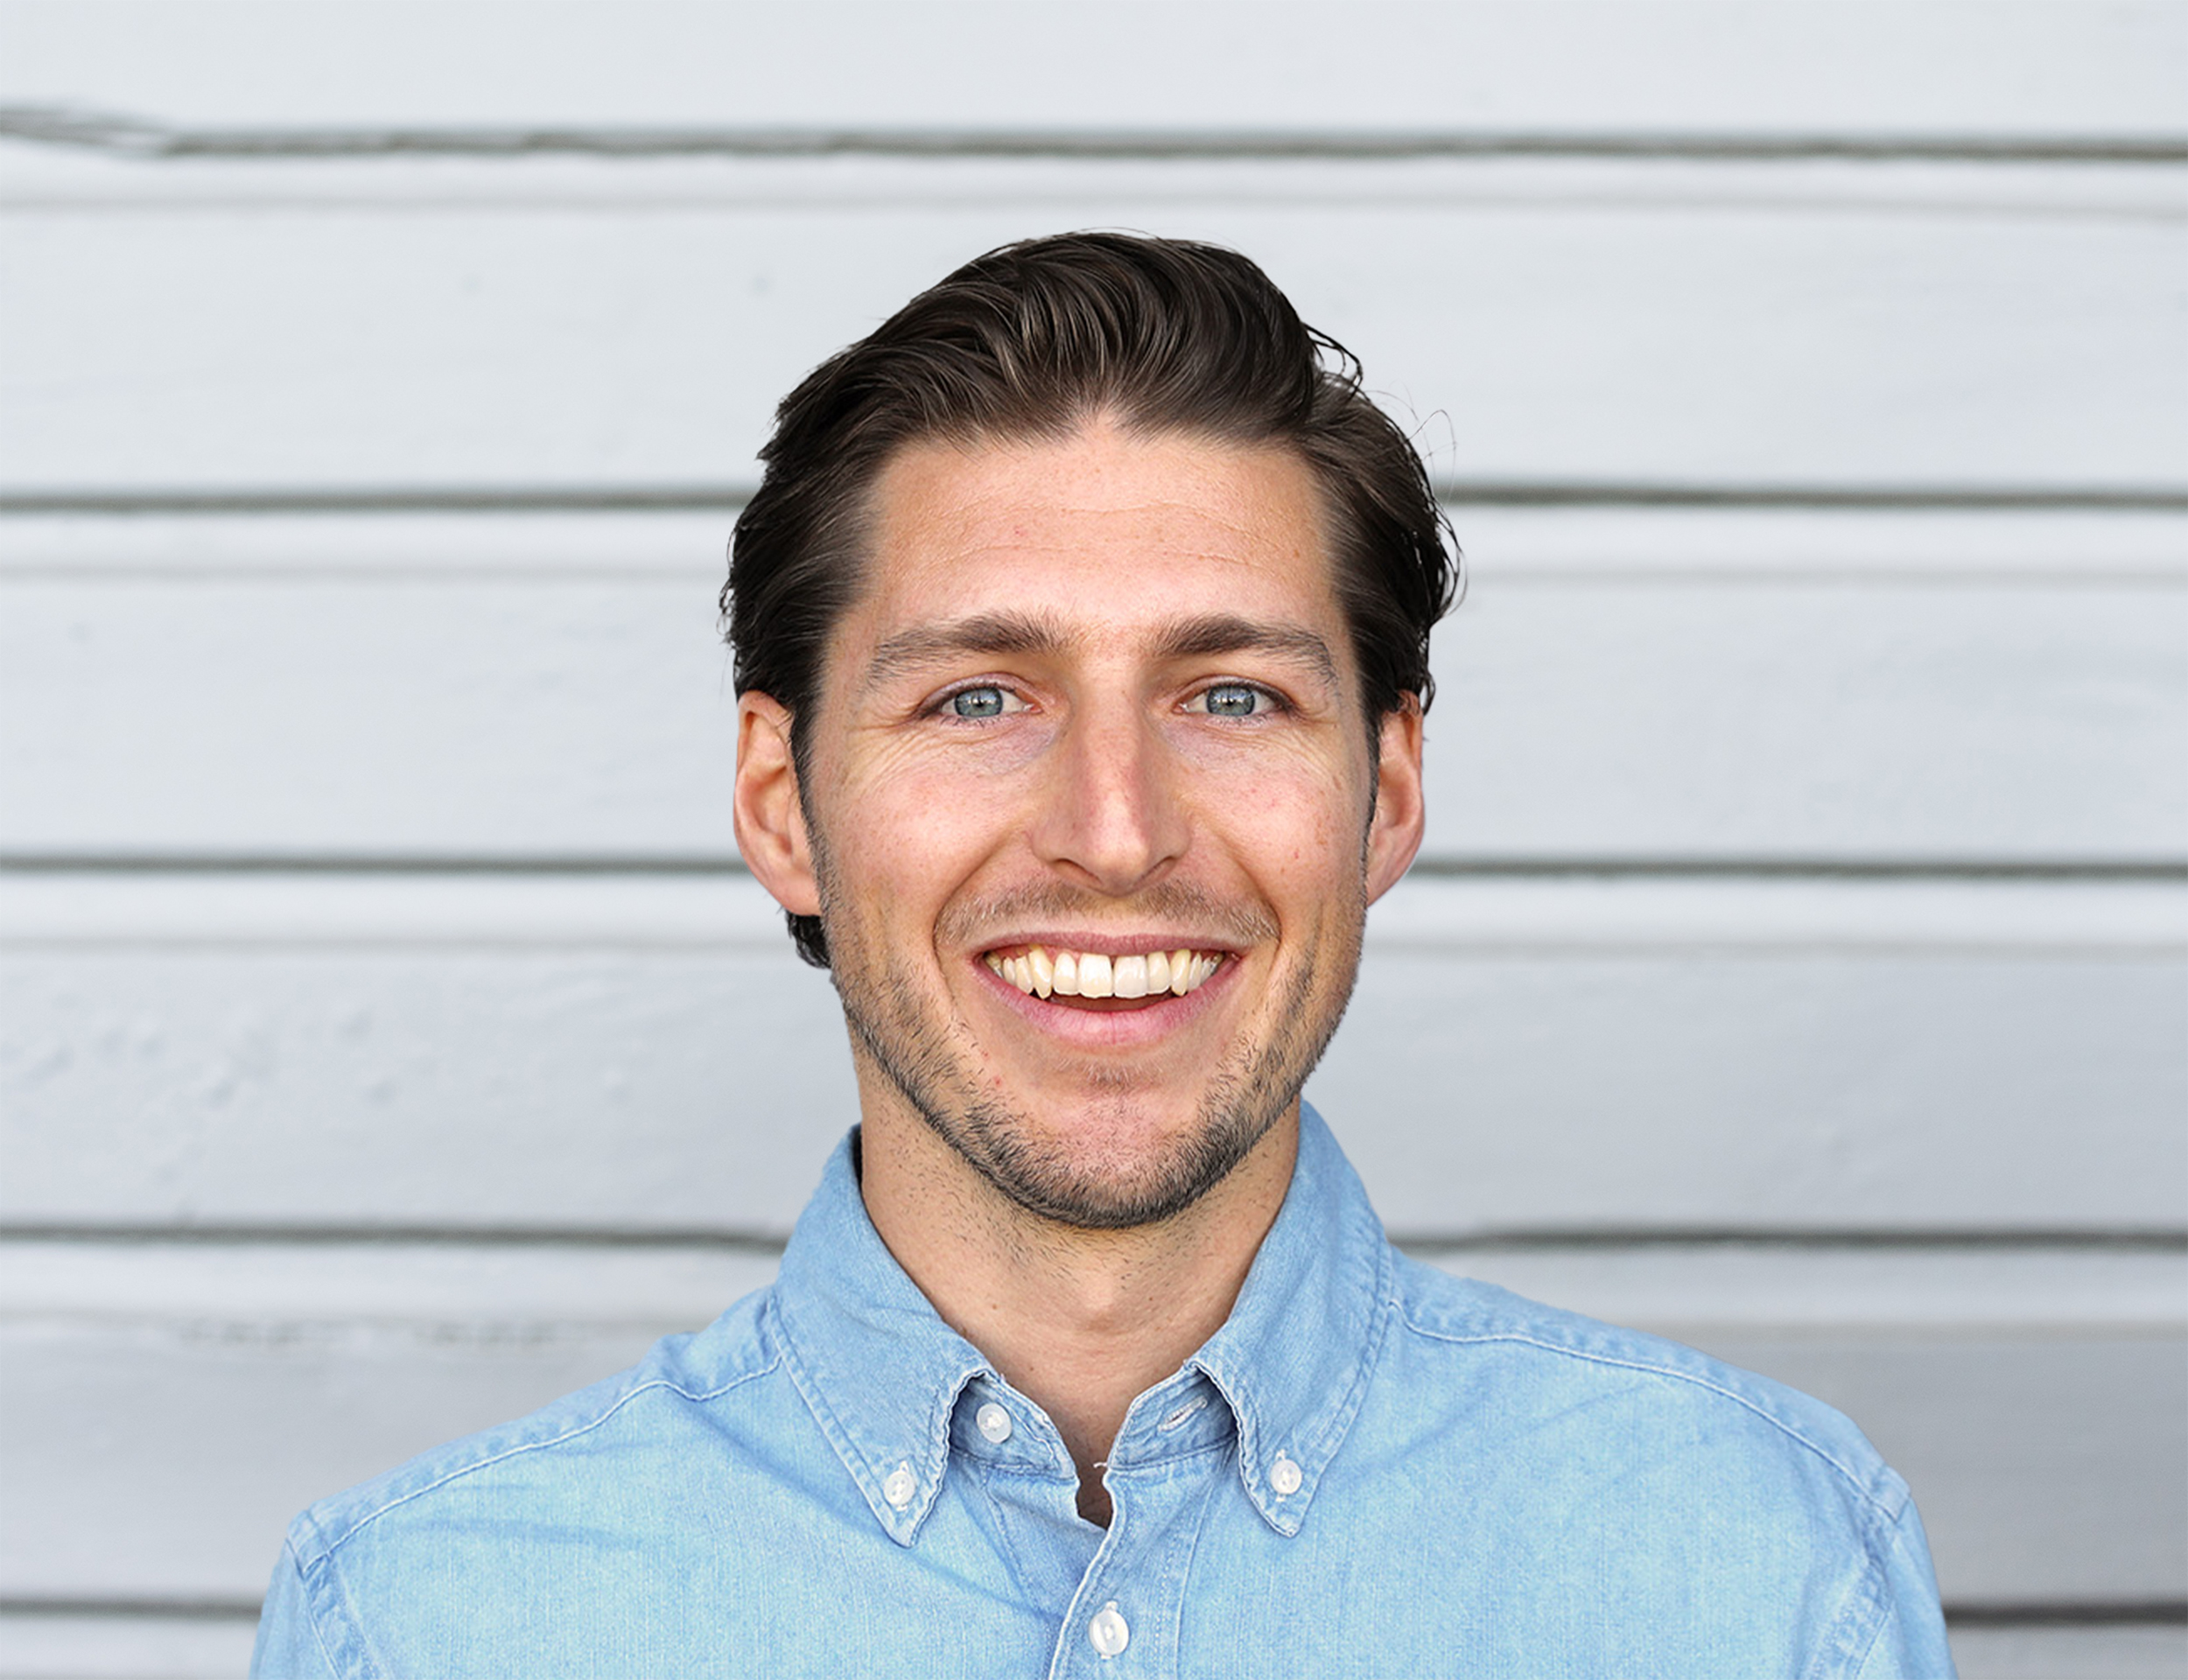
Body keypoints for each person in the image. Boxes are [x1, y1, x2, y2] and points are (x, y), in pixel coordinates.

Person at [252, 233, 1956, 1676]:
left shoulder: (1763, 1574)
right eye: (978, 697)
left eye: (1233, 696)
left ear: (1384, 793)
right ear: (783, 804)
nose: (1117, 831)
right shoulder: (424, 1622)